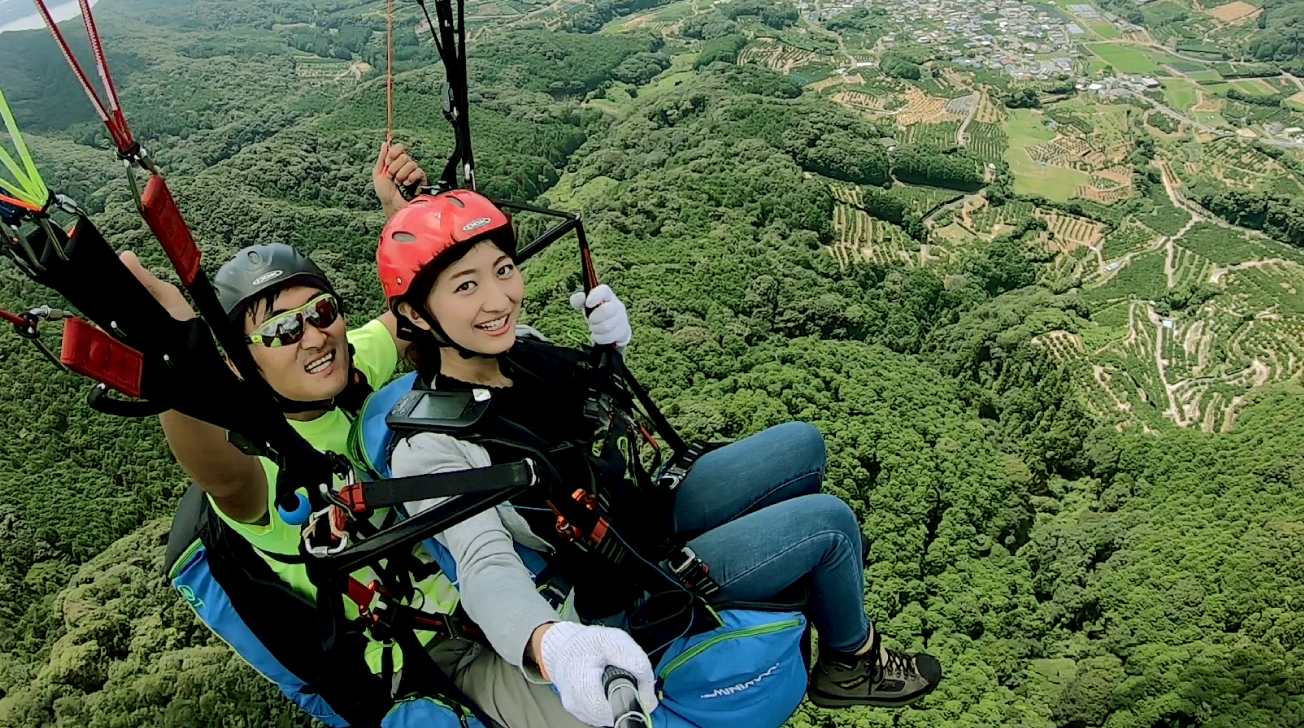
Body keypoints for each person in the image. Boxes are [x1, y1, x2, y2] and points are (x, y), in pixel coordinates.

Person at [378, 190, 943, 727]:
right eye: (465, 286)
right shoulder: (430, 448)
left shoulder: (517, 347)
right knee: (833, 525)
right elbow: (483, 564)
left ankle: (799, 574)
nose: (498, 299)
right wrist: (551, 644)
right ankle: (852, 660)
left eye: (503, 270)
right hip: (625, 582)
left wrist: (613, 348)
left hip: (638, 514)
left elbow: (584, 408)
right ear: (419, 315)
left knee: (803, 444)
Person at [125, 142, 622, 728]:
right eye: (281, 331)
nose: (313, 337)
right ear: (241, 365)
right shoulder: (260, 474)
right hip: (437, 651)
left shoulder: (353, 362)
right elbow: (210, 462)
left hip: (497, 565)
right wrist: (171, 359)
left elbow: (419, 306)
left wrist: (405, 217)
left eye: (321, 311)